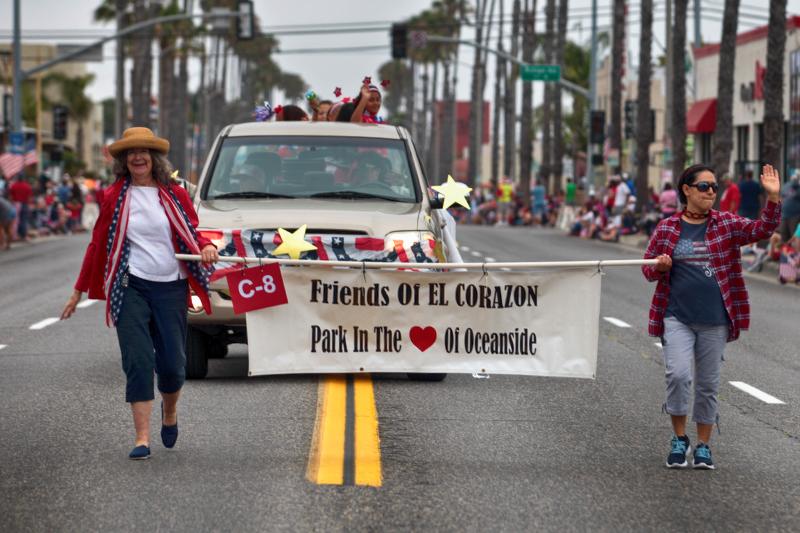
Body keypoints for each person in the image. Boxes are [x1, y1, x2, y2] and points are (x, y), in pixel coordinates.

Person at [60, 127, 219, 461]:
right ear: (123, 160)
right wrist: (77, 291)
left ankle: (170, 412)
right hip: (130, 285)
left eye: (143, 151)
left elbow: (193, 231)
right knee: (138, 360)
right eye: (130, 153)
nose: (137, 157)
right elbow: (97, 245)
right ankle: (142, 438)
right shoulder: (114, 196)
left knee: (174, 366)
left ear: (154, 157)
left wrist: (205, 246)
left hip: (171, 286)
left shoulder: (175, 193)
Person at [642, 163, 781, 470]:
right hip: (676, 315)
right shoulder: (667, 228)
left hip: (716, 319)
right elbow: (648, 268)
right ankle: (679, 438)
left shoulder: (726, 224)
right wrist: (660, 266)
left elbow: (762, 230)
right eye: (704, 186)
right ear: (686, 190)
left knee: (707, 384)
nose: (711, 192)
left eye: (714, 187)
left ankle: (703, 445)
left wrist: (772, 198)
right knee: (678, 375)